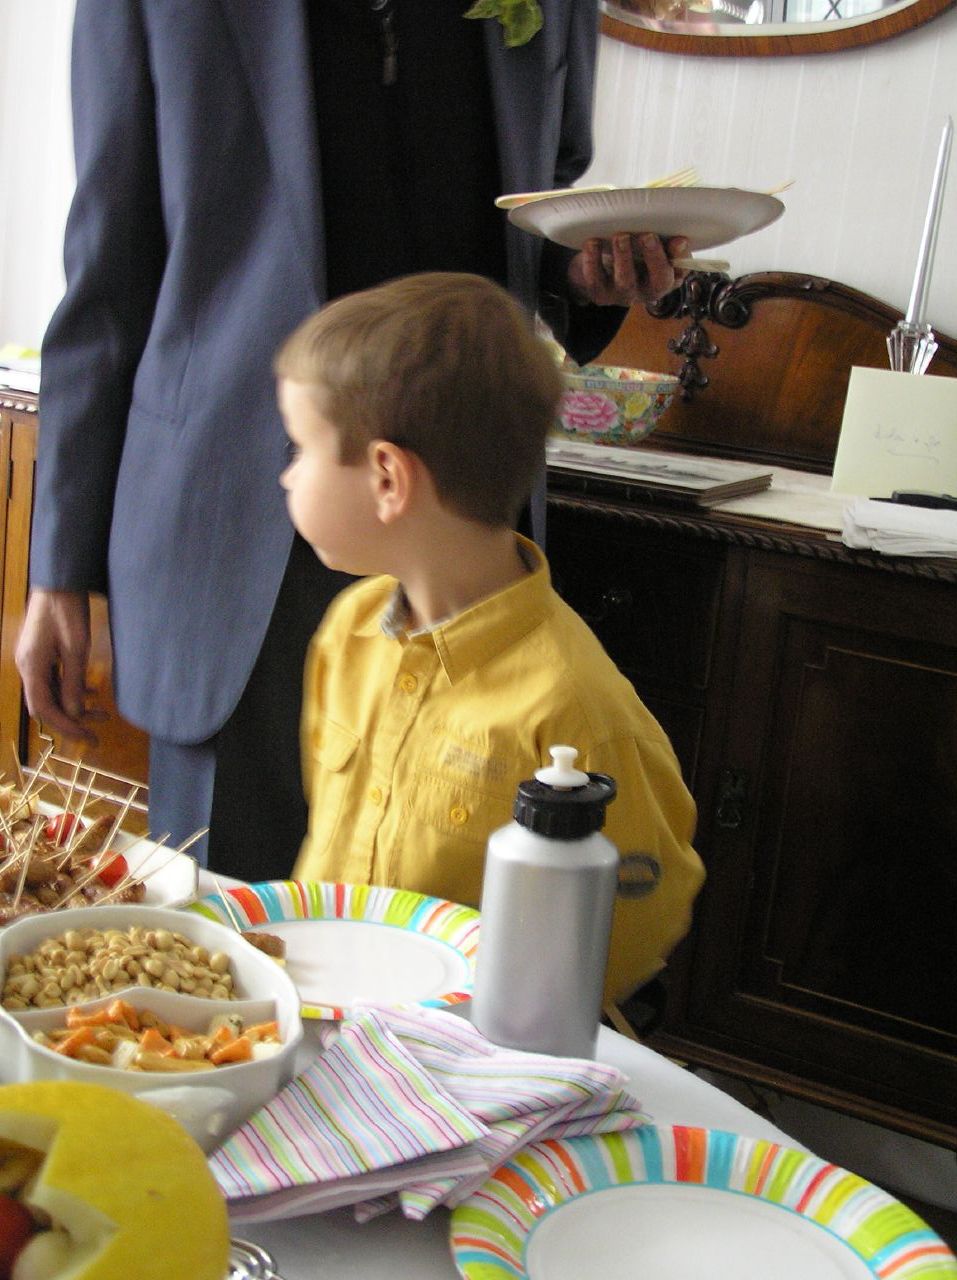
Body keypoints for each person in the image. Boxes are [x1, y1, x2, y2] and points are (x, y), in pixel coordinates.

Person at [16, 0, 689, 880]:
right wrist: (60, 566)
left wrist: (591, 268)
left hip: (464, 534)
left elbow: (541, 219)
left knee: (454, 911)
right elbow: (109, 271)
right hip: (240, 530)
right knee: (235, 941)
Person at [277, 271, 704, 1002]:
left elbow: (635, 922)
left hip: (475, 1061)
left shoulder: (575, 708)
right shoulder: (348, 631)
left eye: (301, 448)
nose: (287, 478)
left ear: (387, 478)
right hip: (336, 1020)